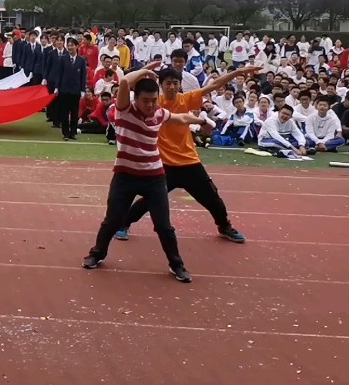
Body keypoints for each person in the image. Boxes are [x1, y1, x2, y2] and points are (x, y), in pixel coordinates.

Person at [83, 61, 209, 283]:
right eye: (145, 101)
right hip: (125, 176)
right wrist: (145, 71)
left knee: (164, 226)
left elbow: (180, 118)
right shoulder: (124, 111)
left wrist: (201, 121)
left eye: (153, 100)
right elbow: (123, 83)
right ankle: (97, 254)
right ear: (135, 98)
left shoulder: (159, 113)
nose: (150, 105)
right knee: (113, 220)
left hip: (154, 177)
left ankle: (177, 265)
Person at [114, 65, 261, 244]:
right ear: (161, 84)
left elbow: (214, 85)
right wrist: (144, 71)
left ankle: (224, 226)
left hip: (189, 162)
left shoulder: (186, 99)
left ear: (180, 84)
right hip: (164, 164)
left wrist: (237, 73)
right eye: (168, 83)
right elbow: (126, 86)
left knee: (212, 198)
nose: (172, 87)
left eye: (176, 83)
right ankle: (123, 224)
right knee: (148, 200)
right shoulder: (153, 102)